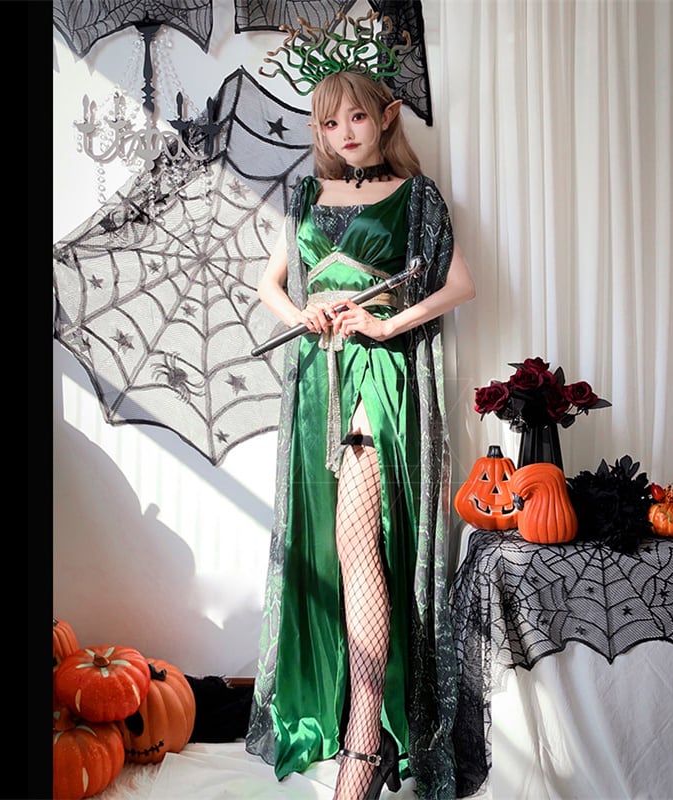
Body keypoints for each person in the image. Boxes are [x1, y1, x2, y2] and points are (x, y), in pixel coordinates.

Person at [244, 51, 475, 800]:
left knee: (358, 546)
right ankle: (357, 730)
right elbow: (270, 283)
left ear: (385, 118)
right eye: (328, 123)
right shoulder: (305, 196)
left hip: (378, 376)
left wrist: (386, 325)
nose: (343, 132)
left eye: (356, 117)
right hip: (319, 379)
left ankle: (365, 744)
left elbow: (460, 285)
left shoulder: (416, 195)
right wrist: (303, 313)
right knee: (337, 552)